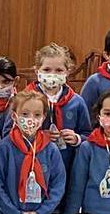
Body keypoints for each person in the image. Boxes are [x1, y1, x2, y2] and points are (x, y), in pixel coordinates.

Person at [29, 43, 91, 173]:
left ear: (68, 71)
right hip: (34, 164)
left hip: (67, 165)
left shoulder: (77, 102)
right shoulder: (26, 100)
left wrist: (77, 139)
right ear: (37, 71)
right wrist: (39, 136)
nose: (52, 75)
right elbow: (15, 133)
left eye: (59, 70)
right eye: (46, 70)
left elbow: (87, 134)